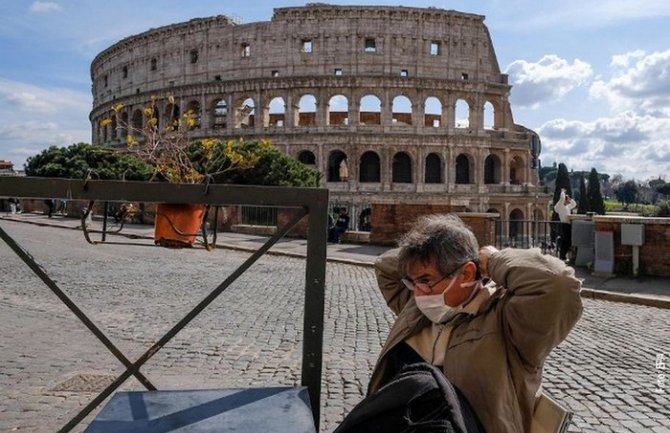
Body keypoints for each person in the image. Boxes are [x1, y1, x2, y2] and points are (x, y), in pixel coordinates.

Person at [369, 214, 582, 433]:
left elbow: (558, 285)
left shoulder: (506, 320)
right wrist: (428, 250)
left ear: (467, 273)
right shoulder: (416, 306)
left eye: (426, 280)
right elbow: (385, 266)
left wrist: (493, 261)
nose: (419, 292)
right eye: (412, 282)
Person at [553, 189, 577, 260]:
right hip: (564, 225)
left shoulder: (567, 207)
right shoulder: (561, 207)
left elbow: (574, 204)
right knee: (566, 241)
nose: (569, 200)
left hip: (568, 225)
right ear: (565, 200)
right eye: (568, 199)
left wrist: (569, 198)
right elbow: (562, 198)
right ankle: (562, 255)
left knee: (567, 240)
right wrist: (563, 192)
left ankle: (563, 255)